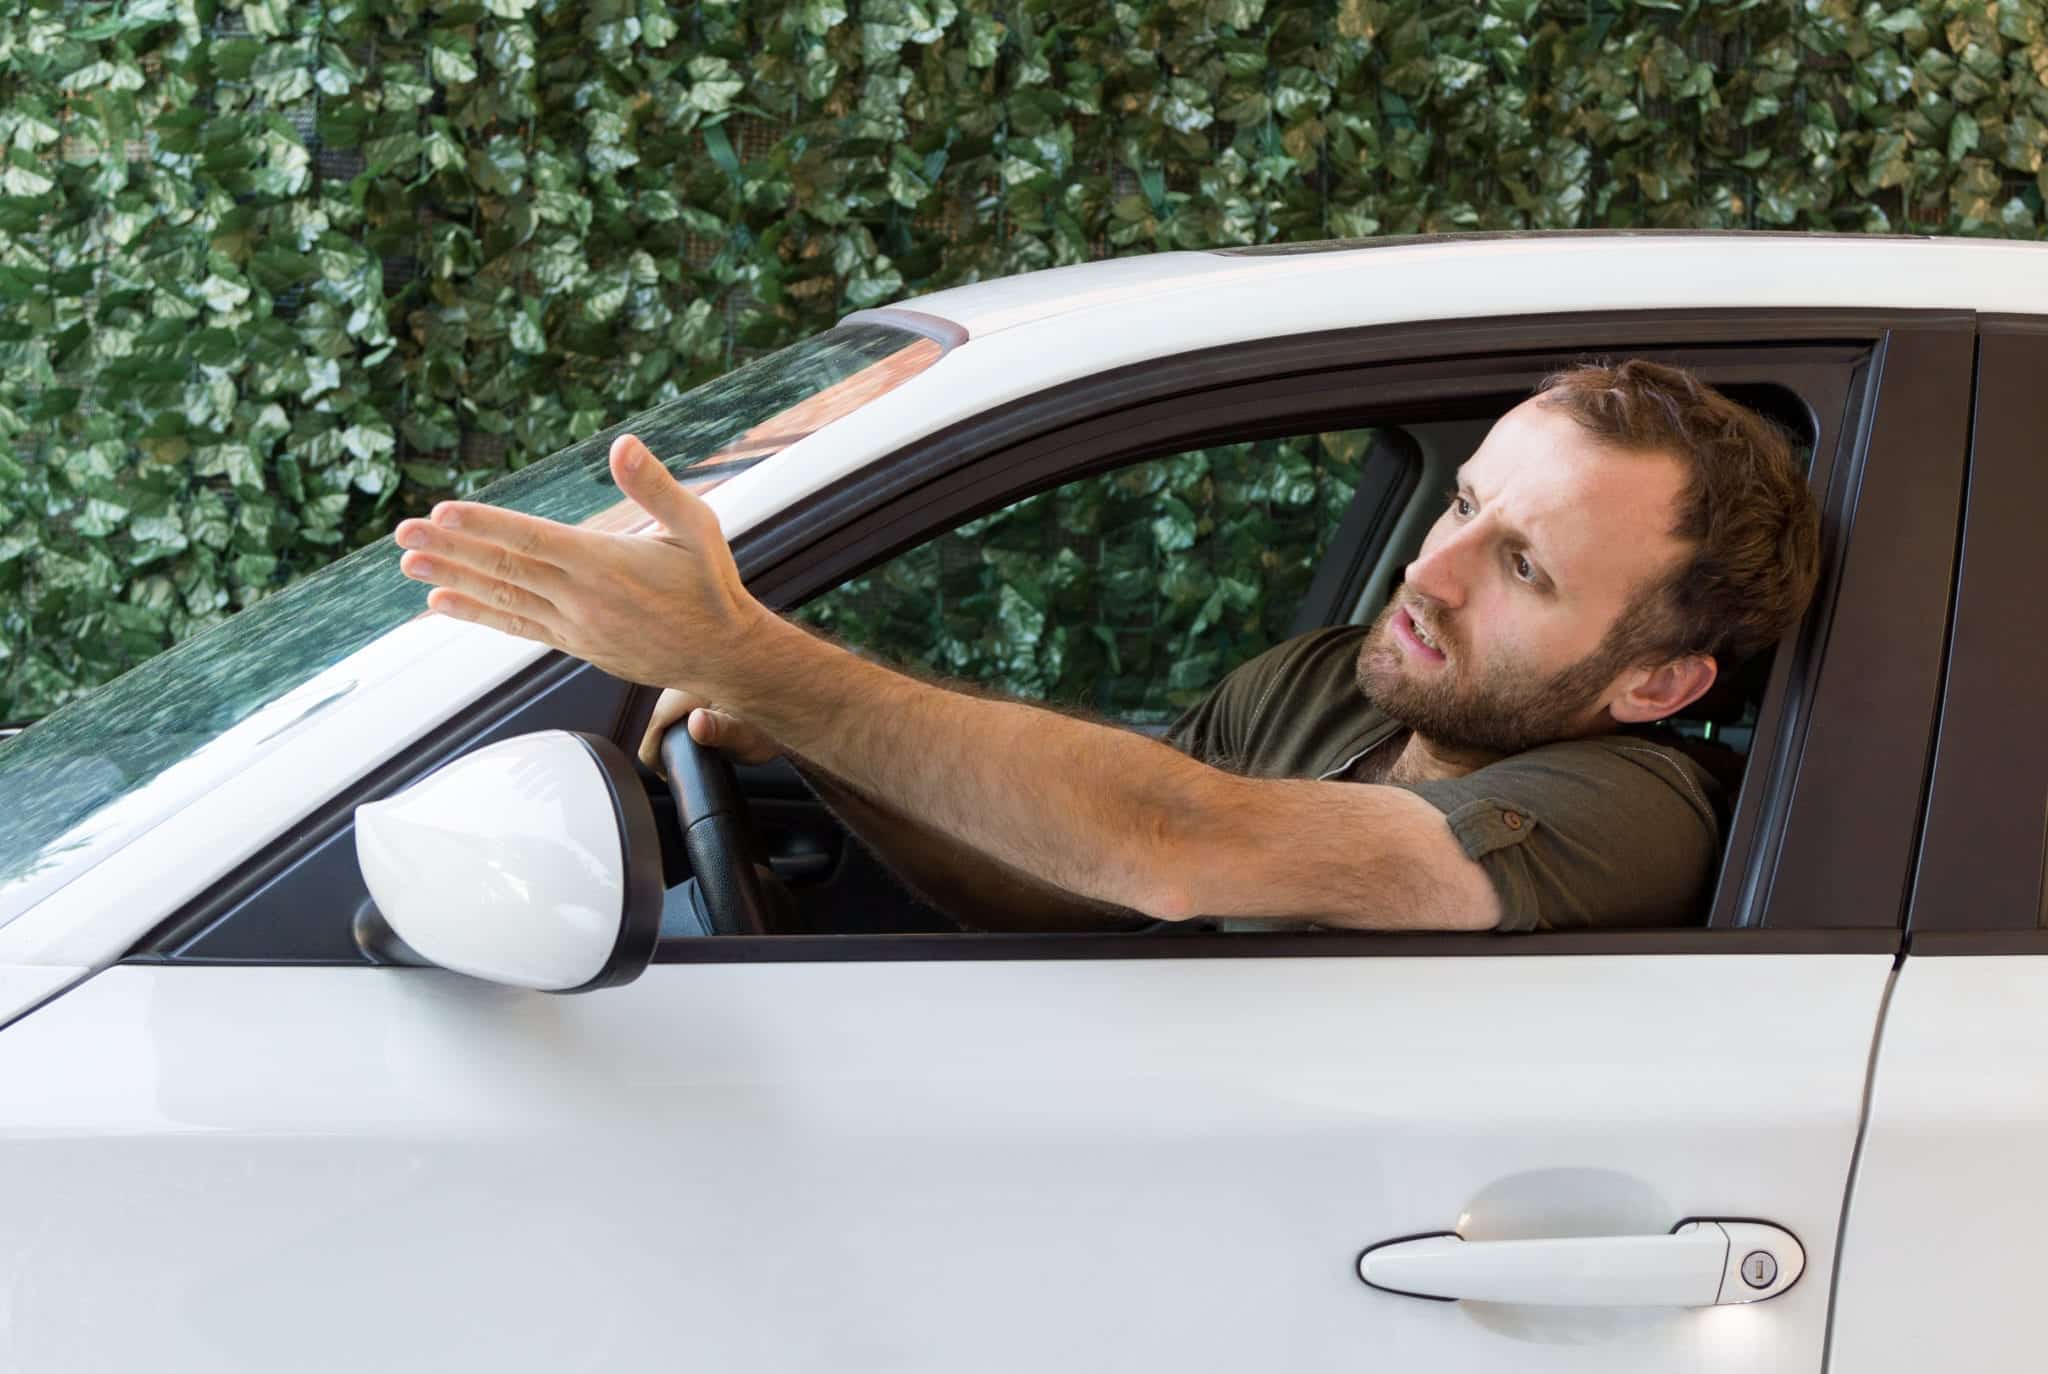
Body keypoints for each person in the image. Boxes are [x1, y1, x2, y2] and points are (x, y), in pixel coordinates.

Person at [391, 360, 1820, 933]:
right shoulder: (1338, 683)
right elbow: (1077, 884)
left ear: (1659, 681)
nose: (1426, 572)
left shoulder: (1628, 815)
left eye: (1520, 565)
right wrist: (810, 738)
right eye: (1459, 503)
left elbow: (1168, 842)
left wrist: (763, 655)